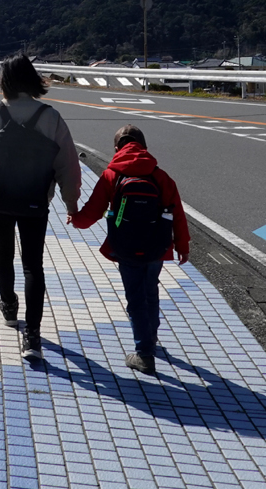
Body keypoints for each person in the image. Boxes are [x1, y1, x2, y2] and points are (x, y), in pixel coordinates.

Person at [0, 53, 81, 360]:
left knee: (3, 252)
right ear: (32, 79)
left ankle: (9, 306)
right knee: (33, 264)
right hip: (35, 200)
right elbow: (67, 163)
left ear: (4, 82)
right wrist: (71, 202)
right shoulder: (50, 116)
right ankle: (33, 337)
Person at [70, 124, 190, 374]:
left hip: (125, 245)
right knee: (150, 291)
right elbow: (177, 214)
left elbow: (92, 212)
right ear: (145, 147)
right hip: (156, 246)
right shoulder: (161, 176)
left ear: (116, 149)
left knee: (135, 297)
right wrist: (182, 245)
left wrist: (75, 219)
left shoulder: (111, 175)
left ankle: (144, 354)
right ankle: (150, 339)